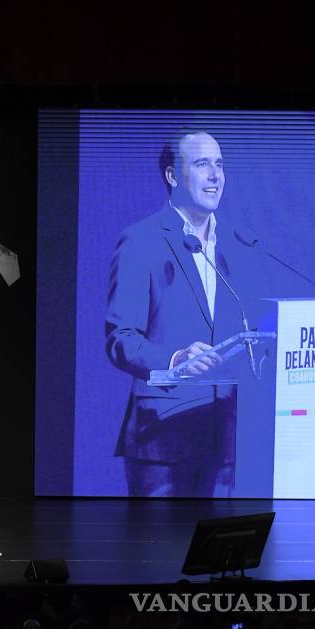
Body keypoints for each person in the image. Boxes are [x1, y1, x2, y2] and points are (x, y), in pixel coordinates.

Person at [105, 128, 259, 497]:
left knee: (217, 553)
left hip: (223, 438)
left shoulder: (236, 244)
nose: (215, 175)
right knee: (158, 554)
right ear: (173, 175)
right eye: (202, 164)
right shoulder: (141, 240)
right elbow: (119, 339)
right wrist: (174, 358)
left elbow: (249, 331)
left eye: (219, 165)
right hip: (162, 441)